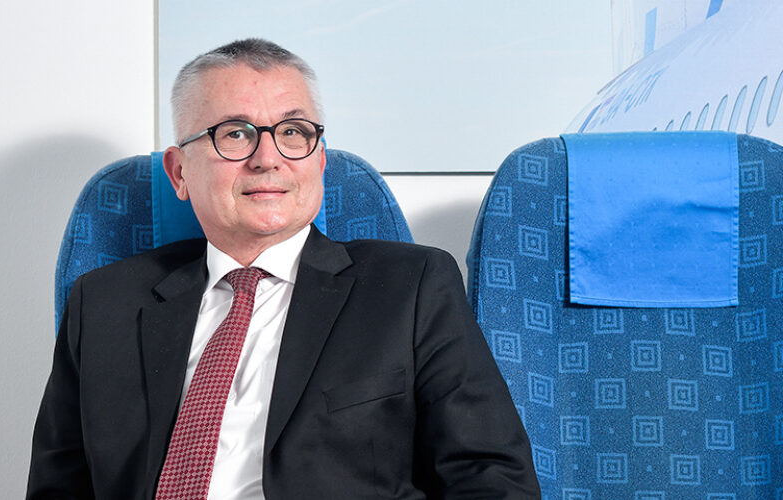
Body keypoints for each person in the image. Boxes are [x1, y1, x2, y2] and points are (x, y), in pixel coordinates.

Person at [27, 38, 540, 499]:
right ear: (179, 173)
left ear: (319, 161)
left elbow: (491, 478)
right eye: (235, 134)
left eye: (293, 132)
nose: (268, 158)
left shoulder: (412, 286)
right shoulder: (103, 304)